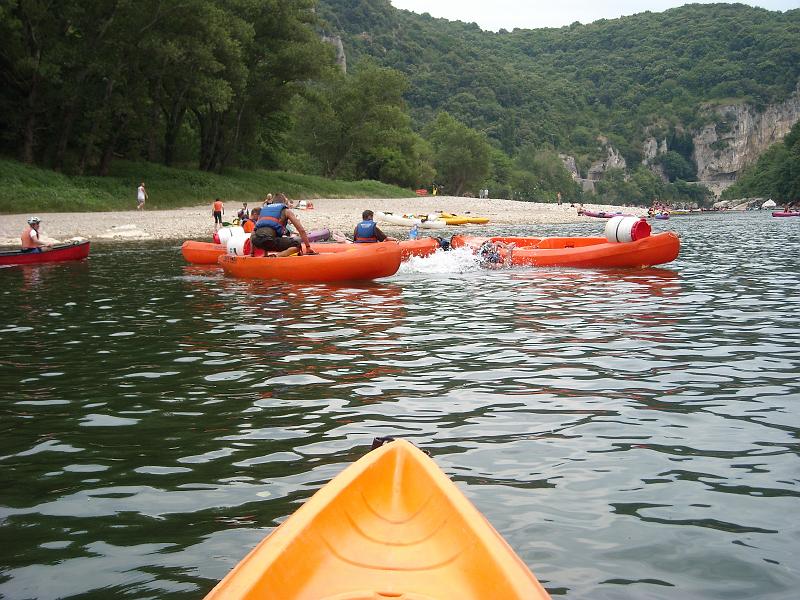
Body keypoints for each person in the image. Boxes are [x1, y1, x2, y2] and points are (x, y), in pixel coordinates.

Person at [250, 196, 315, 257]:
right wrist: (308, 247)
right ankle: (276, 256)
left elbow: (253, 233)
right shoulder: (286, 211)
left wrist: (252, 253)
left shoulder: (264, 210)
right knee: (297, 245)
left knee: (266, 236)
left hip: (256, 241)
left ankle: (266, 256)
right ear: (284, 202)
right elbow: (301, 230)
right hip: (270, 241)